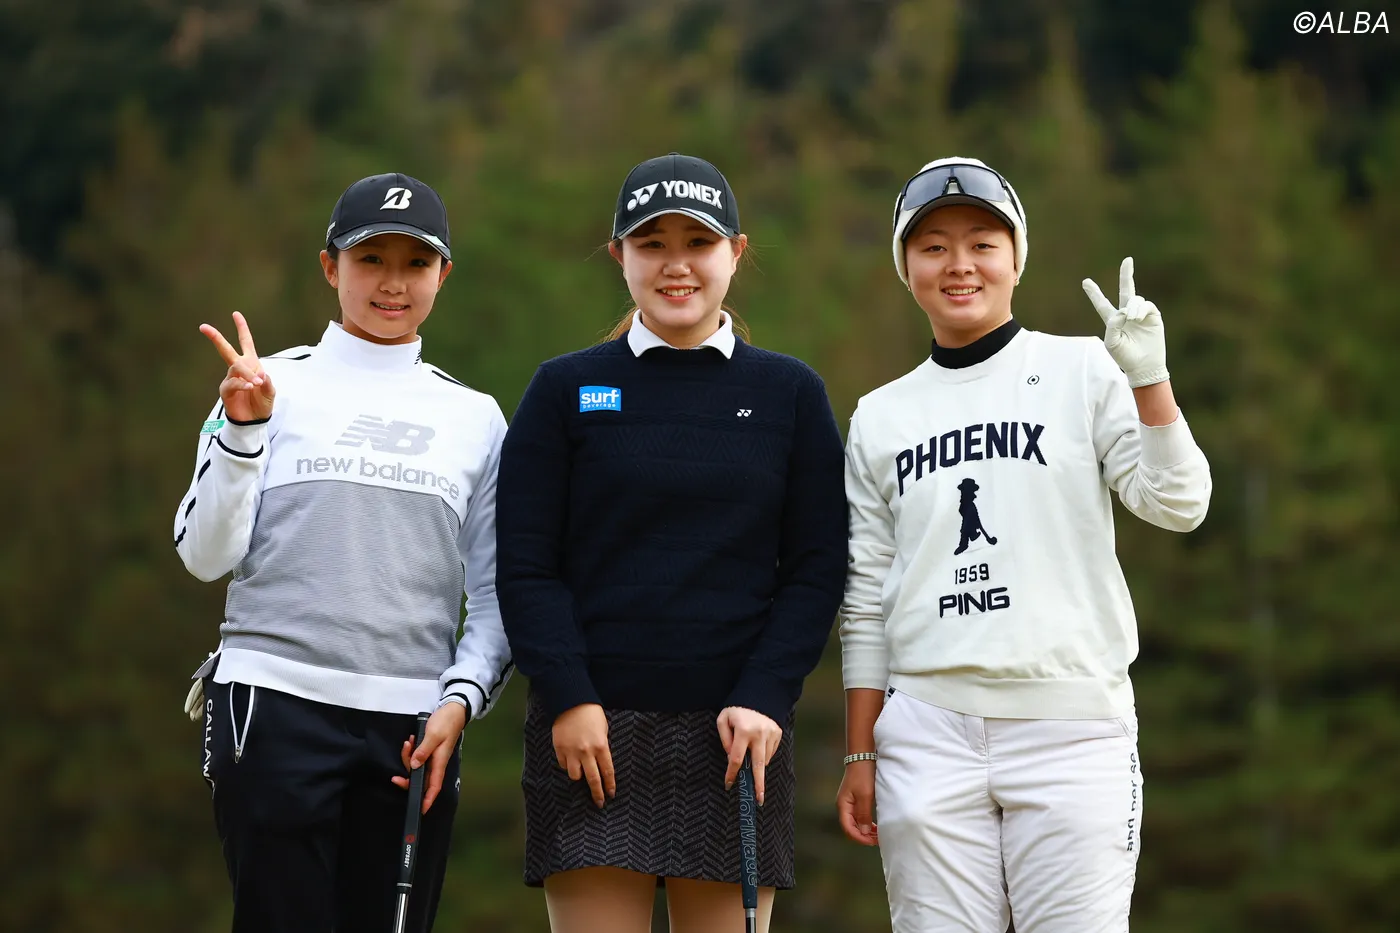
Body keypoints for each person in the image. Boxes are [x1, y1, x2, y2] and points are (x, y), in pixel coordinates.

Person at [835, 157, 1212, 932]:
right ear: (906, 267)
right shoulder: (880, 415)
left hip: (1072, 727)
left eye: (983, 243)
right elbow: (867, 596)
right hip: (927, 730)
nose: (959, 264)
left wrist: (1149, 378)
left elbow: (1179, 503)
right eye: (933, 246)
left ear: (1016, 258)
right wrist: (860, 751)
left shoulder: (1082, 368)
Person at [495, 153, 848, 933]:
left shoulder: (790, 393)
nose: (676, 264)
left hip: (738, 736)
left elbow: (817, 566)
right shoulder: (562, 389)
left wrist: (767, 693)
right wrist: (568, 694)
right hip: (589, 735)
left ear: (737, 252)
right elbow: (525, 564)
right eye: (652, 244)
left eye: (699, 243)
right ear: (618, 254)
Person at [174, 172, 512, 933]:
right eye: (370, 260)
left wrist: (460, 699)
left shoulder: (476, 418)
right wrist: (243, 431)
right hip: (271, 705)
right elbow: (203, 554)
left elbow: (497, 592)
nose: (393, 283)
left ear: (443, 274)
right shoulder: (262, 384)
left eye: (416, 263)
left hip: (413, 727)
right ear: (331, 266)